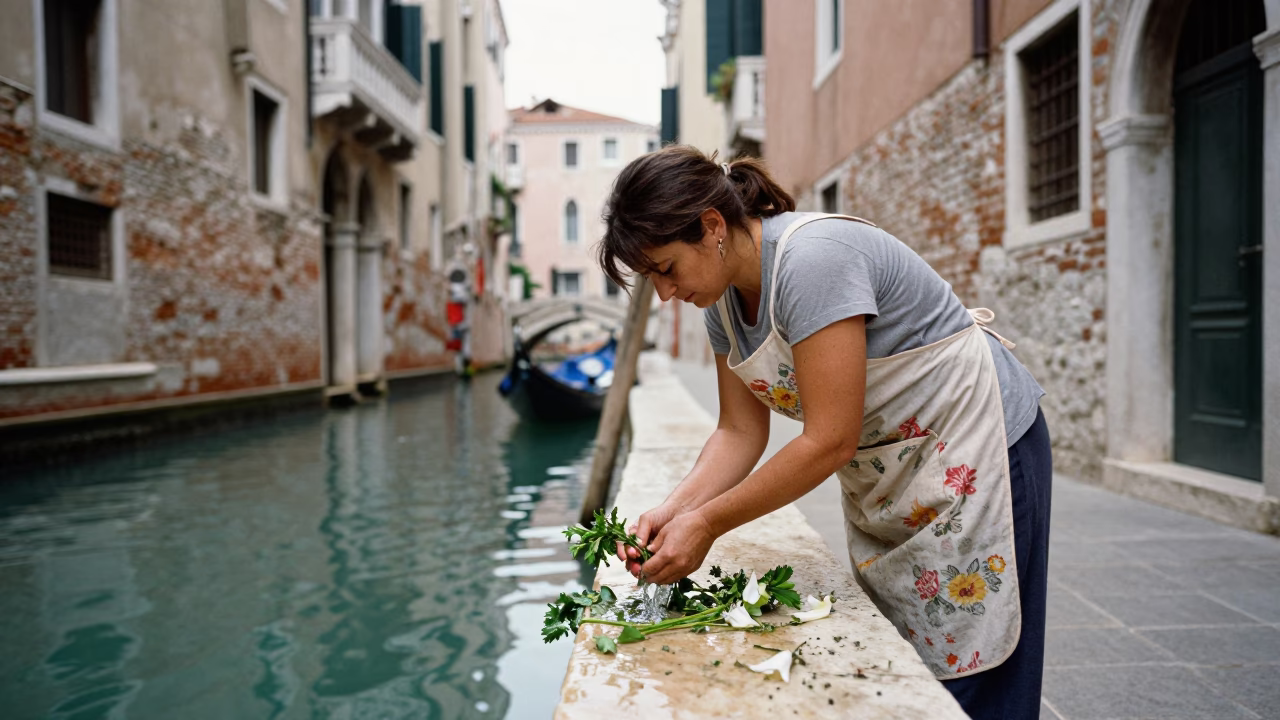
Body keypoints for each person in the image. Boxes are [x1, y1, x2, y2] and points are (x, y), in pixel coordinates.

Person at [598, 145, 1052, 719]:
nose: (664, 293)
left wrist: (707, 524)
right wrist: (674, 512)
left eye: (665, 269)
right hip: (902, 469)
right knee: (917, 667)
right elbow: (739, 432)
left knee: (980, 674)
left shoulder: (812, 261)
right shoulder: (721, 304)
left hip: (981, 444)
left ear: (711, 227)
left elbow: (828, 439)